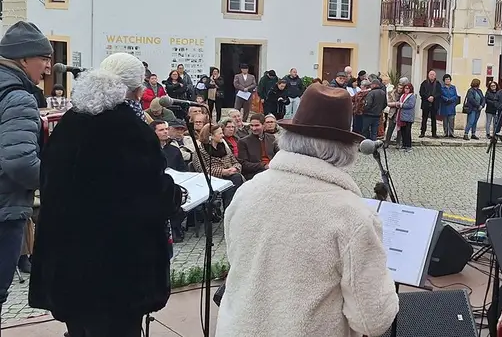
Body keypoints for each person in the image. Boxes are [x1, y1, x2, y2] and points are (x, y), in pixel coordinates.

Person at [216, 84, 399, 337]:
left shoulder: (247, 192)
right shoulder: (352, 215)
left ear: (288, 138)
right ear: (346, 149)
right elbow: (373, 320)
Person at [30, 53, 183, 337]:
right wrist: (175, 195)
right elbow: (147, 196)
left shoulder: (70, 122)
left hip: (68, 264)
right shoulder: (129, 129)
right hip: (115, 271)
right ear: (137, 91)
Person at [0, 21, 52, 316]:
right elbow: (20, 163)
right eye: (43, 58)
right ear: (23, 59)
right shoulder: (19, 96)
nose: (47, 67)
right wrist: (56, 179)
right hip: (4, 210)